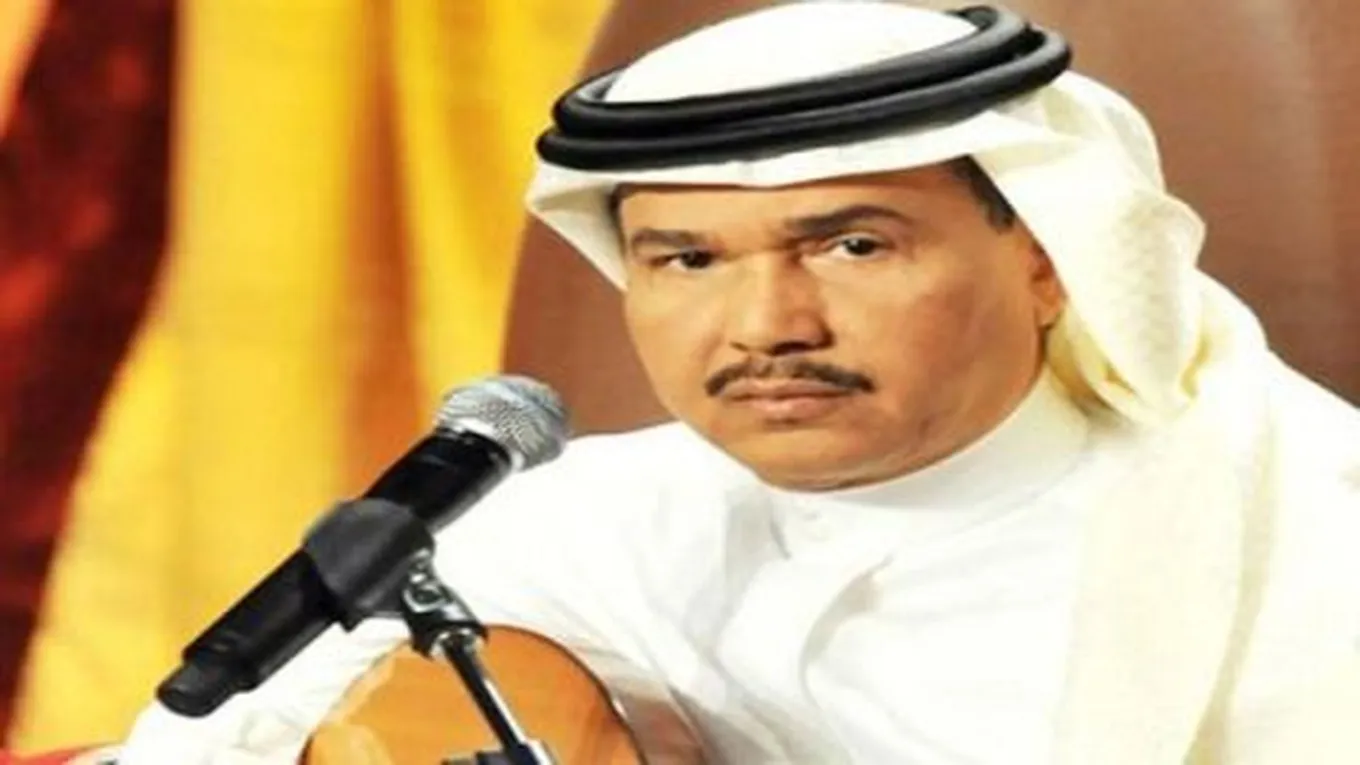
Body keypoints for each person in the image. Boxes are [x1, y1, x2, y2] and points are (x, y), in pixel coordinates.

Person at [117, 2, 1360, 763]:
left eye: (852, 245)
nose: (768, 326)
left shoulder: (1301, 545)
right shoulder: (566, 524)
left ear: (1044, 262)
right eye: (688, 260)